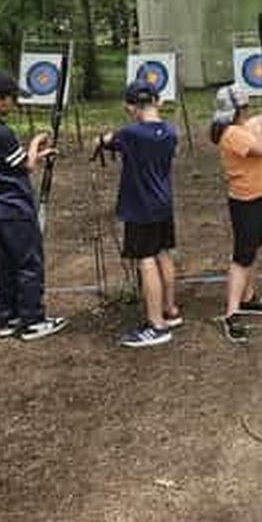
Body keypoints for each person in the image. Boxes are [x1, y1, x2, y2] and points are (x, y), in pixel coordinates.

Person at [0, 69, 68, 340]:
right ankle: (33, 321)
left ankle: (9, 318)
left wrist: (36, 154)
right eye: (11, 99)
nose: (14, 104)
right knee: (28, 263)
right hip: (14, 209)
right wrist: (35, 144)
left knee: (6, 265)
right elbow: (26, 166)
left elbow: (4, 164)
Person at [96, 81, 181, 348]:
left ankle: (156, 325)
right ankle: (170, 309)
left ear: (130, 108)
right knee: (163, 252)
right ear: (158, 101)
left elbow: (106, 141)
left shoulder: (130, 134)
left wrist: (103, 139)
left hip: (141, 208)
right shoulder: (171, 131)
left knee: (146, 260)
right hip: (163, 204)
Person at [210, 85, 262, 344]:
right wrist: (258, 128)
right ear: (237, 110)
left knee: (253, 249)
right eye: (245, 107)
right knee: (242, 257)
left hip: (261, 197)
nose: (248, 111)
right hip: (248, 202)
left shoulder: (240, 128)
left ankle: (247, 298)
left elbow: (256, 122)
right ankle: (232, 313)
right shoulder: (233, 134)